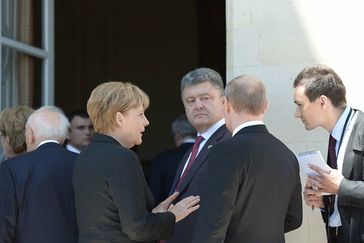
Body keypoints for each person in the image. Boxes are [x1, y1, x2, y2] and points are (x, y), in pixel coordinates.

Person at [72, 81, 200, 243]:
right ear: (119, 119)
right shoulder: (121, 157)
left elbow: (108, 218)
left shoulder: (85, 156)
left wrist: (155, 215)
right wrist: (172, 216)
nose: (146, 121)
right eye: (140, 114)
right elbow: (138, 230)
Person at [191, 74, 302, 243]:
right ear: (265, 106)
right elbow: (294, 219)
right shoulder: (287, 154)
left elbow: (212, 226)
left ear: (226, 105)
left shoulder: (225, 151)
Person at [294, 64, 364, 243]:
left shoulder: (361, 129)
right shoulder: (336, 136)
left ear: (323, 102)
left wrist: (341, 186)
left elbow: (344, 186)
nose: (296, 113)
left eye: (300, 105)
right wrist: (326, 201)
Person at [166, 68, 230, 243]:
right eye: (190, 100)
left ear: (224, 101)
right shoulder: (191, 151)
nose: (198, 105)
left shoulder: (231, 143)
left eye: (205, 98)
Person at [0, 106, 78, 243]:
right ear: (63, 137)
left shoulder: (12, 168)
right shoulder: (81, 163)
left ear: (30, 134)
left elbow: (5, 222)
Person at [149, 114, 196, 204]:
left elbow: (154, 196)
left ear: (177, 134)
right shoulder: (209, 156)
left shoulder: (162, 159)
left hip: (170, 215)